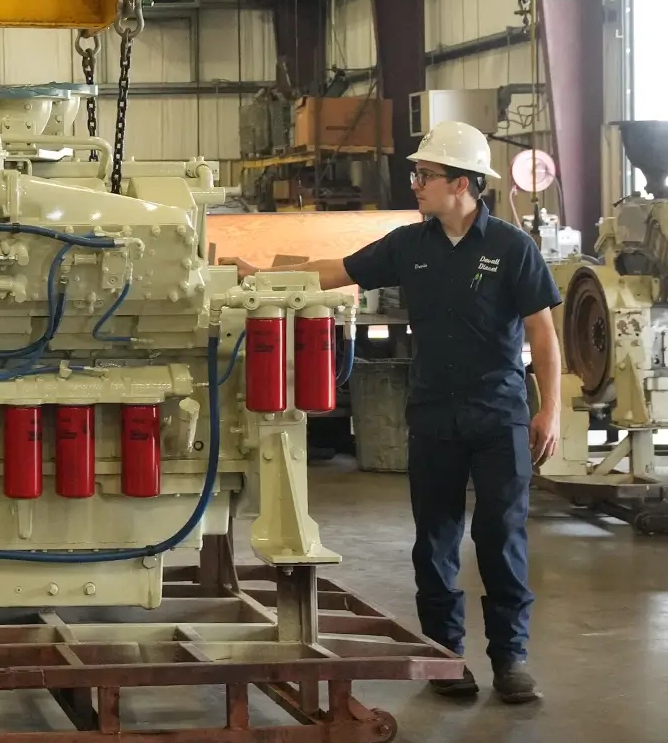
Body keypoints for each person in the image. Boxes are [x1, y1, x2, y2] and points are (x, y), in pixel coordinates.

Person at [226, 121, 562, 705]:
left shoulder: (511, 248)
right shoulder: (411, 245)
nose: (416, 184)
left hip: (499, 414)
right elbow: (338, 271)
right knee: (433, 540)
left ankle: (510, 658)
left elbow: (544, 334)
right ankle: (444, 655)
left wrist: (550, 411)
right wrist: (263, 277)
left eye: (425, 175)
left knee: (499, 536)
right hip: (433, 413)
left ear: (461, 183)